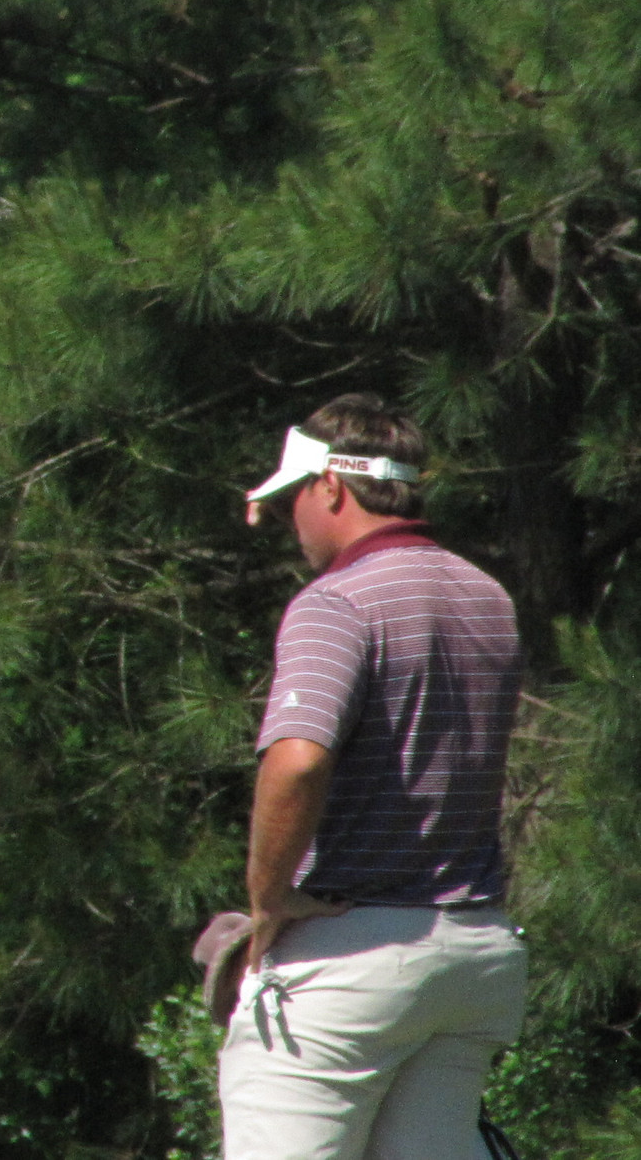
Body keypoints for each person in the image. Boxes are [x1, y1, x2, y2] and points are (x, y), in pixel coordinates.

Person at [219, 393, 526, 1160]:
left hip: (353, 962)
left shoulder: (337, 601)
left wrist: (267, 900)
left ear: (331, 487)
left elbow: (298, 758)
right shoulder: (487, 596)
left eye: (294, 496)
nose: (293, 517)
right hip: (474, 953)